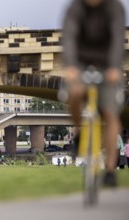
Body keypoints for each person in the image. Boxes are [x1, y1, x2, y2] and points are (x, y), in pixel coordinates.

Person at [62, 0, 125, 187]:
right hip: (80, 62)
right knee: (74, 91)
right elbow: (69, 37)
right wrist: (70, 65)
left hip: (108, 63)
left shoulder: (114, 8)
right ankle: (79, 131)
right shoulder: (75, 8)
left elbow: (117, 39)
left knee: (111, 113)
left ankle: (111, 170)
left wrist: (114, 67)